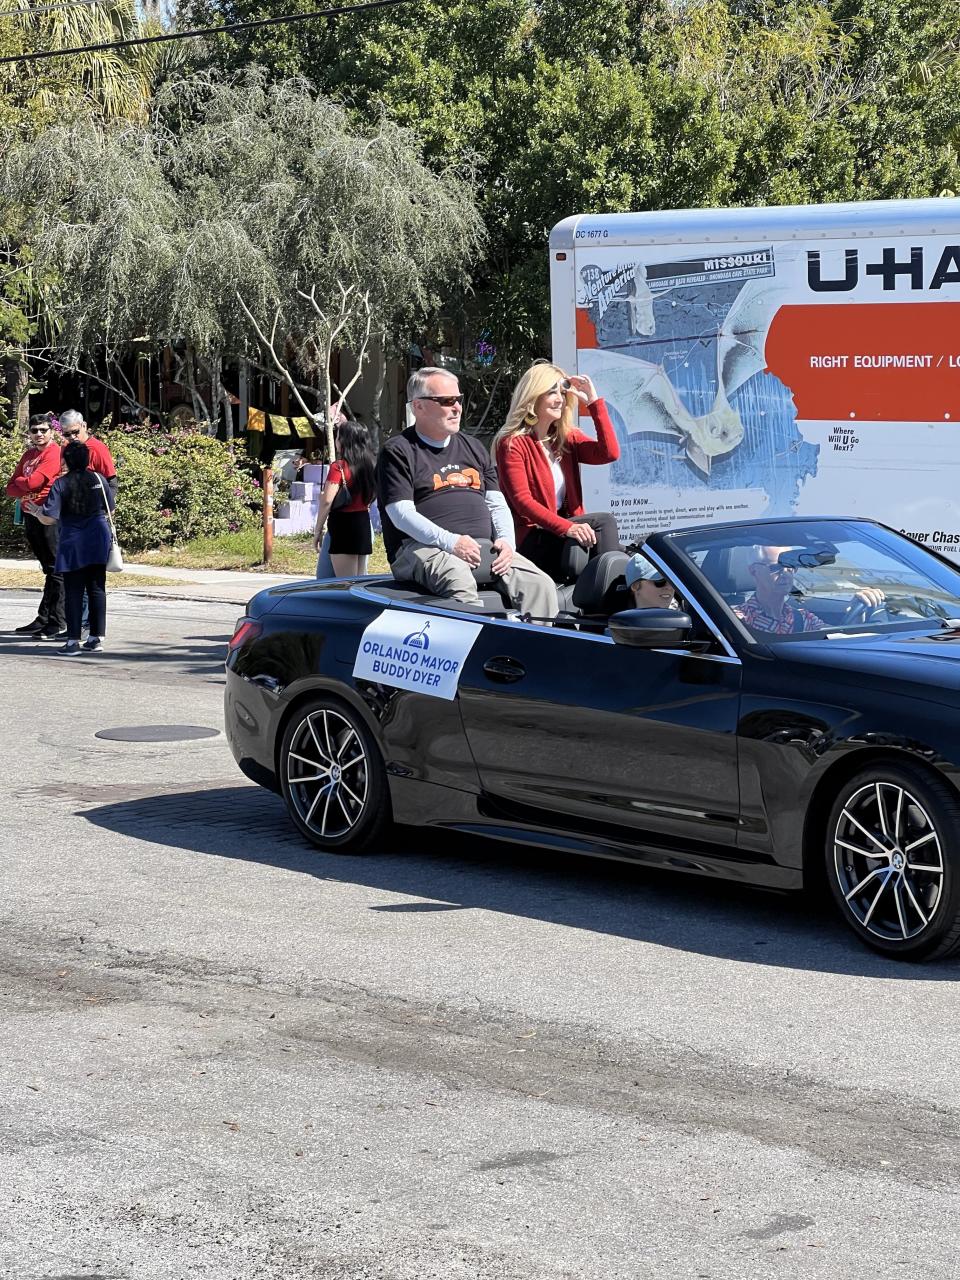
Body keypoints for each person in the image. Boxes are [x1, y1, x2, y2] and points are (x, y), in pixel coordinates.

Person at [378, 367, 558, 616]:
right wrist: (451, 542)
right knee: (458, 581)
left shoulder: (473, 447)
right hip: (421, 548)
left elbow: (496, 503)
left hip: (484, 548)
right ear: (418, 406)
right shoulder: (398, 450)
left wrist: (506, 541)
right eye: (446, 401)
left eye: (459, 399)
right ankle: (476, 652)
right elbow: (401, 514)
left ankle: (534, 651)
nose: (457, 408)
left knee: (540, 585)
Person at [494, 363, 621, 580]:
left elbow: (608, 453)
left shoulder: (565, 439)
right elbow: (522, 501)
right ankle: (615, 596)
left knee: (627, 552)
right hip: (533, 536)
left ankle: (612, 594)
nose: (560, 399)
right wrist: (567, 528)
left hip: (562, 532)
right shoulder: (512, 444)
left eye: (562, 392)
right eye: (551, 392)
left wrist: (593, 401)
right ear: (533, 397)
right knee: (603, 523)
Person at [24, 441, 114, 657]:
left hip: (74, 539)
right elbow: (110, 507)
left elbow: (49, 518)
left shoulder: (61, 484)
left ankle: (73, 641)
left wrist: (36, 511)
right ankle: (96, 637)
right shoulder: (99, 479)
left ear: (66, 460)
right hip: (99, 536)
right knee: (97, 587)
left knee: (74, 590)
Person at [4, 414, 65, 637]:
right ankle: (43, 618)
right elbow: (10, 487)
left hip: (47, 515)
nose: (38, 434)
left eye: (43, 430)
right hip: (30, 514)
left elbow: (32, 482)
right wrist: (21, 484)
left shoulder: (54, 453)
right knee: (48, 569)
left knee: (56, 568)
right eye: (34, 430)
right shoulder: (29, 455)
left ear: (52, 431)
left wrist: (22, 484)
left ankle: (58, 621)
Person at [734, 545, 884, 635]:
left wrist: (857, 616)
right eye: (776, 567)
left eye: (791, 565)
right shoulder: (738, 620)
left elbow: (833, 640)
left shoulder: (802, 617)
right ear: (754, 571)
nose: (786, 572)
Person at [313, 419, 376, 577]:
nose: (336, 440)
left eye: (338, 436)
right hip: (363, 522)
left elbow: (327, 500)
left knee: (346, 585)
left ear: (343, 441)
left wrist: (318, 530)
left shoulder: (338, 467)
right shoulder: (371, 465)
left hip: (343, 525)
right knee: (359, 582)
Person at [58, 409, 117, 495]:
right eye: (67, 434)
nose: (72, 437)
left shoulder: (98, 448)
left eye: (75, 432)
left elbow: (112, 484)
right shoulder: (65, 447)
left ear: (84, 426)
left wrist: (103, 506)